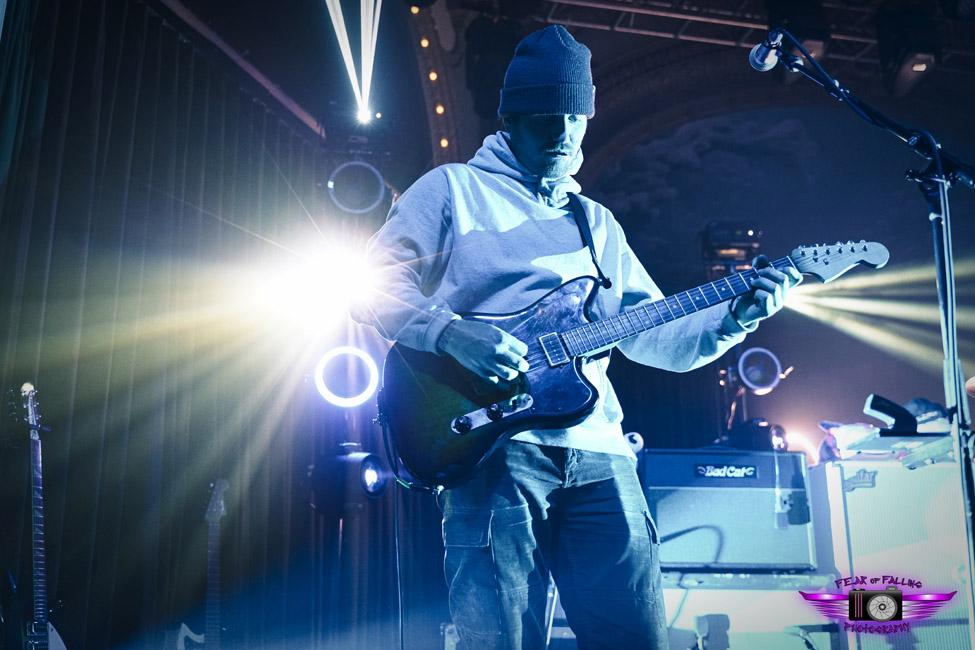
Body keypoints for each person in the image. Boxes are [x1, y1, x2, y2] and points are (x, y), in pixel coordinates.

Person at [352, 24, 799, 650]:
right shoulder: (453, 190)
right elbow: (367, 288)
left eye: (574, 117)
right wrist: (452, 334)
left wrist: (737, 318)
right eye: (543, 118)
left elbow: (656, 337)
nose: (561, 134)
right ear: (510, 119)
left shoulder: (596, 223)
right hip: (494, 448)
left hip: (600, 455)